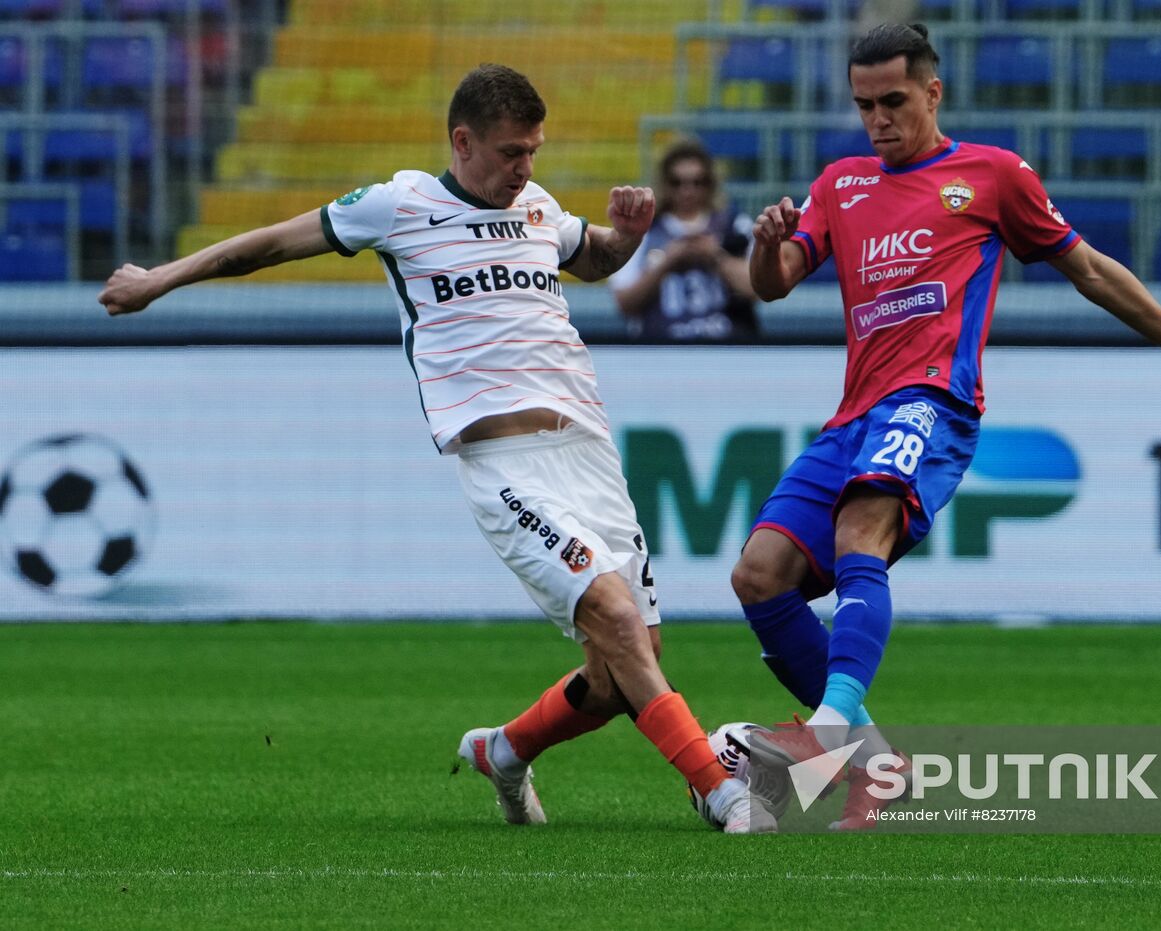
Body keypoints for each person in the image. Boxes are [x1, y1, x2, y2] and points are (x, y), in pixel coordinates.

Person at [97, 63, 770, 834]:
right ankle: (722, 791)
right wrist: (159, 279)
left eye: (535, 153)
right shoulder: (400, 204)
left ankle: (505, 751)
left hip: (589, 454)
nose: (526, 169)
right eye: (513, 152)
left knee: (619, 674)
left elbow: (597, 259)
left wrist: (629, 234)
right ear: (463, 142)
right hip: (506, 466)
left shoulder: (539, 207)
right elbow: (267, 247)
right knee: (617, 620)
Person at [732, 23, 1161, 830]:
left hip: (934, 400)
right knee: (759, 576)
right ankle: (878, 766)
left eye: (894, 102)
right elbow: (772, 286)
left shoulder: (992, 175)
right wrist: (767, 248)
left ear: (933, 92)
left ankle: (827, 733)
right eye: (864, 105)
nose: (878, 119)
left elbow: (1087, 267)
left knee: (860, 531)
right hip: (854, 412)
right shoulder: (841, 184)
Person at [609, 138, 759, 342]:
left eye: (697, 182)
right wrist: (668, 263)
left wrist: (715, 257)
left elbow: (758, 288)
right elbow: (624, 303)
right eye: (677, 183)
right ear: (665, 185)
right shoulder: (642, 231)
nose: (687, 191)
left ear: (710, 184)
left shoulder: (736, 226)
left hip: (728, 347)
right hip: (660, 350)